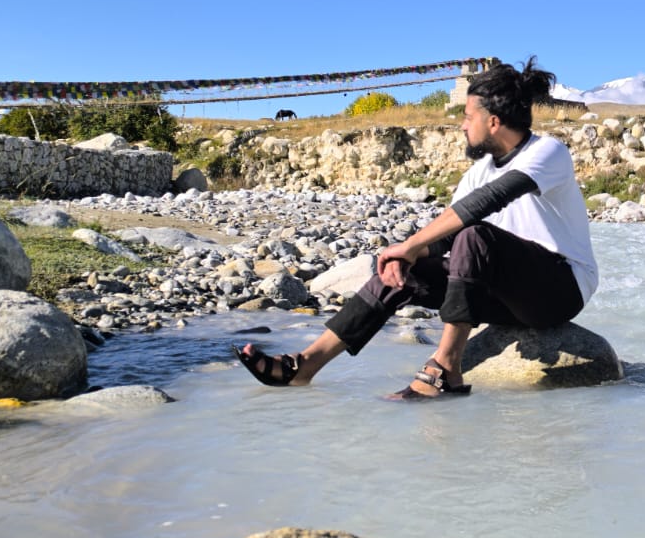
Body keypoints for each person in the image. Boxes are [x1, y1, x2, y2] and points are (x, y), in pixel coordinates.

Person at [232, 58, 598, 399]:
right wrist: (406, 254)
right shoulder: (478, 171)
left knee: (474, 236)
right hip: (504, 295)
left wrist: (410, 243)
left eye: (468, 116)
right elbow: (448, 236)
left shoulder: (547, 152)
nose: (462, 124)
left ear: (494, 121)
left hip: (558, 291)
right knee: (404, 267)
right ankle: (306, 364)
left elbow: (491, 201)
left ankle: (445, 369)